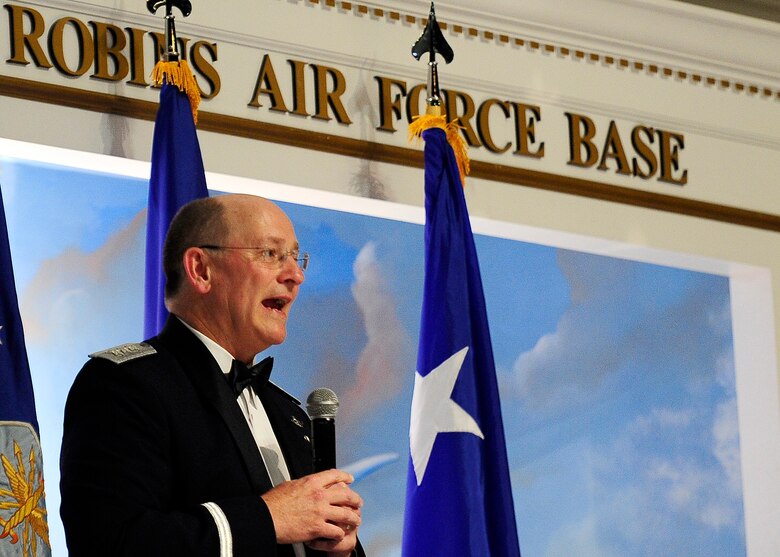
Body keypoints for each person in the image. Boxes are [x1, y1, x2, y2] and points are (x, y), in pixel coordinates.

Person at [60, 194, 364, 557]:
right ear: (201, 269)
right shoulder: (124, 385)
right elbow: (113, 543)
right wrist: (268, 517)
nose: (295, 275)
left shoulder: (289, 413)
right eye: (270, 253)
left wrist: (341, 549)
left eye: (296, 258)